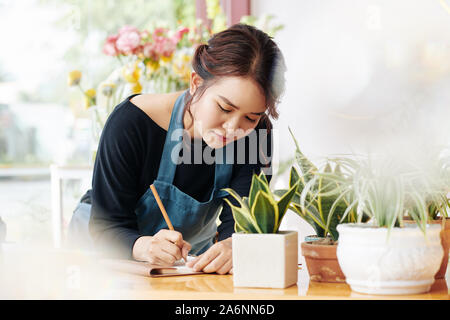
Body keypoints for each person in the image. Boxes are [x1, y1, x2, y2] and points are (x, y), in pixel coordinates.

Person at [67, 23, 286, 275]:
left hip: (178, 266)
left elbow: (241, 223)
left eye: (251, 117)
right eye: (225, 108)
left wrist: (233, 246)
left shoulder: (257, 135)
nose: (233, 128)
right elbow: (106, 226)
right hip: (102, 251)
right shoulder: (132, 123)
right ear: (196, 83)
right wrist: (145, 246)